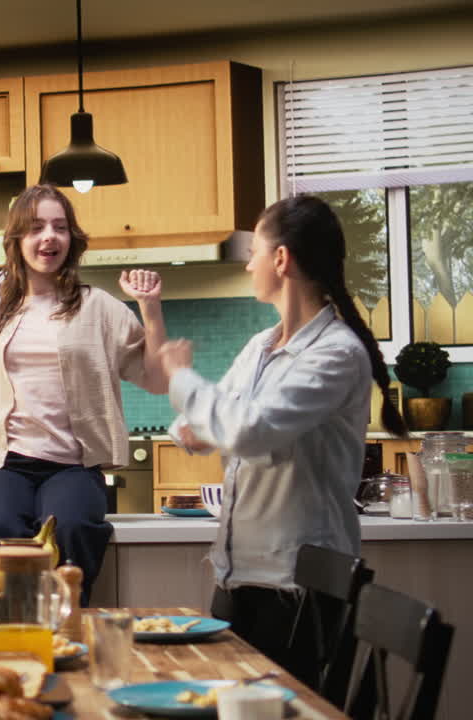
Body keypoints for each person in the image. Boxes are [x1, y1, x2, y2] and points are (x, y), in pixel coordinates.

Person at [156, 194, 407, 686]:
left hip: (297, 588)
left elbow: (248, 429)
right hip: (239, 575)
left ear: (281, 259)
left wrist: (181, 380)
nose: (248, 262)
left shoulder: (336, 354)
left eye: (254, 249)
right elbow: (222, 419)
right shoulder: (261, 347)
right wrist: (196, 425)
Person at [0, 183, 170, 605]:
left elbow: (157, 378)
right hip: (4, 466)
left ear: (72, 239)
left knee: (71, 526)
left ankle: (67, 622)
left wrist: (151, 308)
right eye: (36, 228)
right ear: (16, 241)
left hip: (72, 465)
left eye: (60, 227)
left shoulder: (100, 307)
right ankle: (11, 624)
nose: (49, 236)